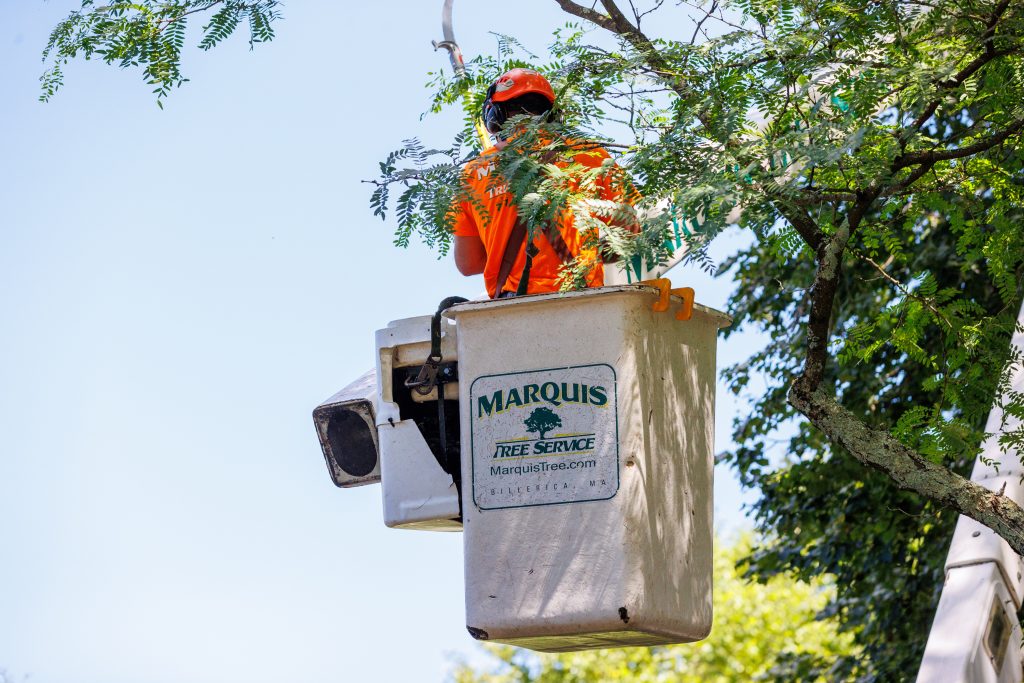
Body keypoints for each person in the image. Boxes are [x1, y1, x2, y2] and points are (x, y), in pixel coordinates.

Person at [452, 68, 636, 298]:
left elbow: (468, 264)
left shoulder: (473, 172)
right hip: (584, 303)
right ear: (552, 114)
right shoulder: (591, 154)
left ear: (495, 116)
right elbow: (631, 232)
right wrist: (586, 253)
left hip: (513, 307)